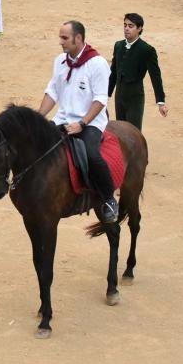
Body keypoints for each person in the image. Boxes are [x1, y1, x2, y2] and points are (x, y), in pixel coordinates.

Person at [39, 20, 118, 223]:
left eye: (65, 38)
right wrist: (38, 118)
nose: (61, 42)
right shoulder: (60, 61)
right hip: (62, 119)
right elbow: (52, 92)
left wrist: (82, 124)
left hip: (90, 123)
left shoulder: (97, 63)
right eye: (60, 37)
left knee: (91, 155)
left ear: (79, 38)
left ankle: (108, 199)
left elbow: (101, 99)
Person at [108, 13, 167, 131]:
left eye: (131, 26)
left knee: (133, 131)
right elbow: (114, 71)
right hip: (119, 95)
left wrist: (161, 102)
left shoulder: (147, 50)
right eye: (125, 25)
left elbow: (155, 76)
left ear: (139, 29)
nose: (126, 28)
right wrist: (106, 94)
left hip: (135, 97)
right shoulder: (118, 45)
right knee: (120, 131)